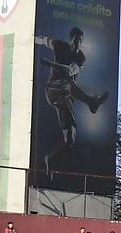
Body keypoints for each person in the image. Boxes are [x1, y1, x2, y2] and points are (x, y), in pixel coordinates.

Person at [34, 28, 108, 175]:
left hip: (66, 96)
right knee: (67, 84)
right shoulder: (60, 45)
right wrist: (31, 39)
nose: (77, 43)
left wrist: (50, 64)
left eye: (80, 41)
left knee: (70, 138)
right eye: (75, 40)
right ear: (70, 39)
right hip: (53, 89)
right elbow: (44, 39)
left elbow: (71, 70)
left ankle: (50, 158)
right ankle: (91, 103)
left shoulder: (81, 57)